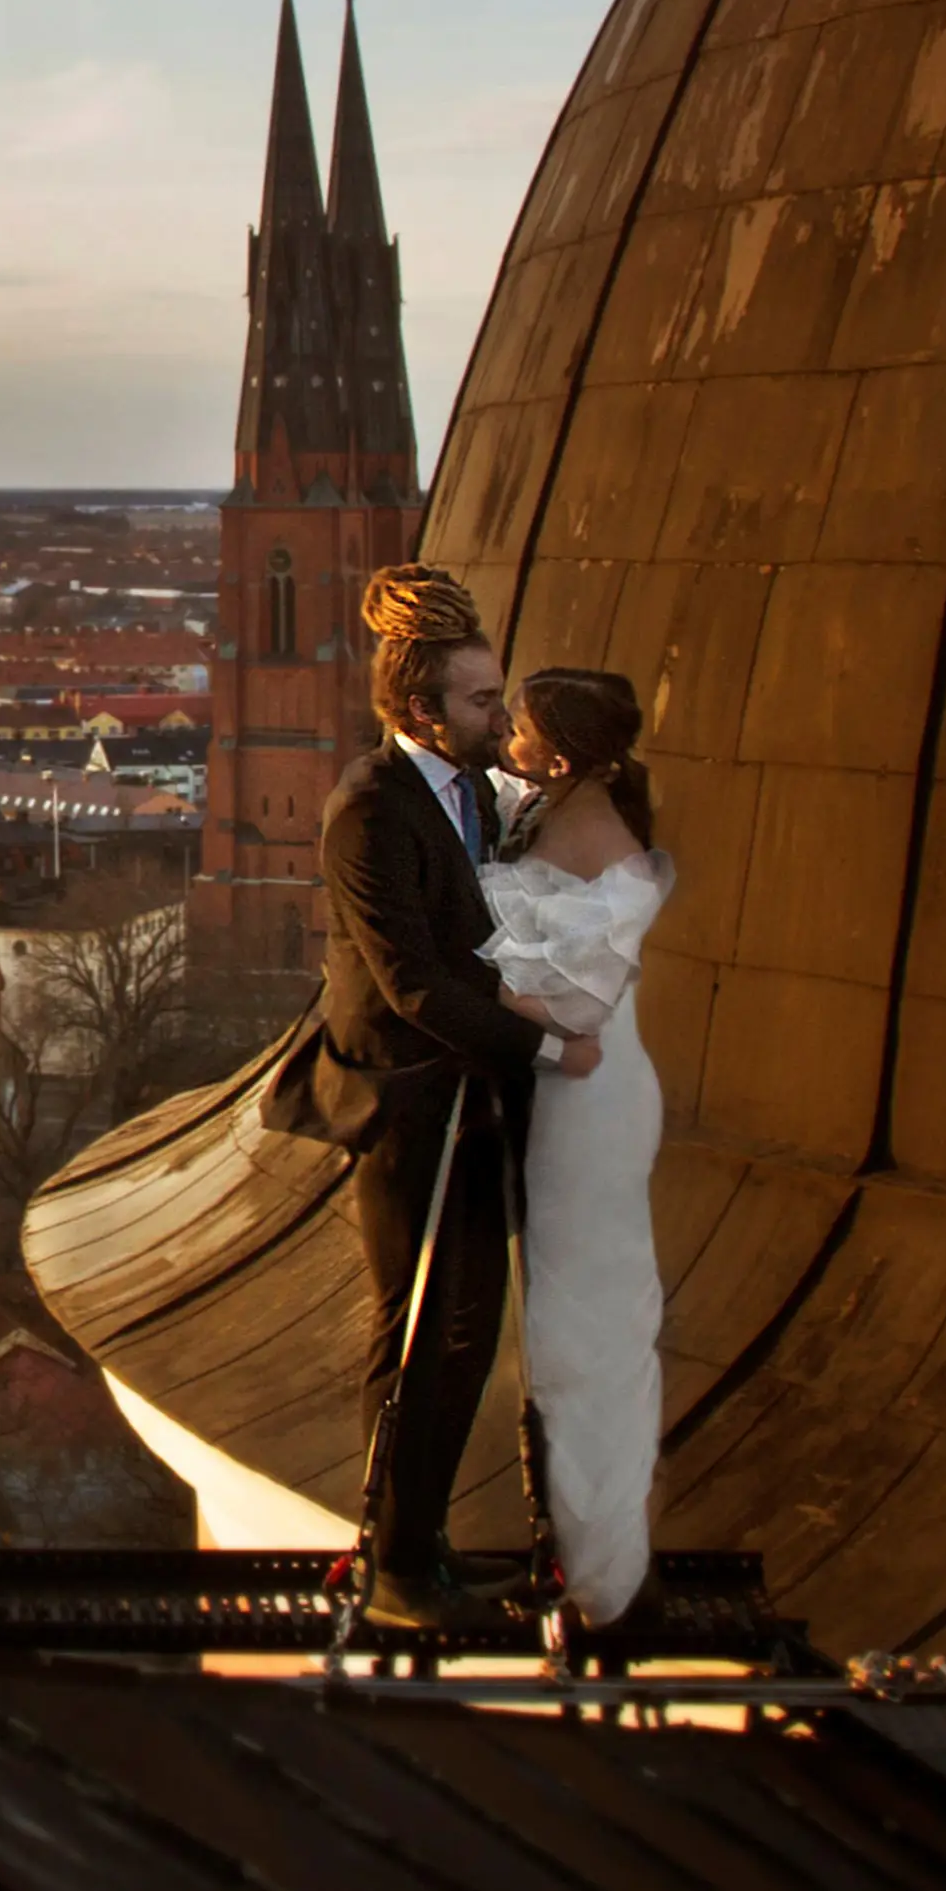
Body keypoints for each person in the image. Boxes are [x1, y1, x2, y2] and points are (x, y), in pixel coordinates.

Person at [262, 563, 600, 1632]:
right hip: (409, 1102)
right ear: (418, 708)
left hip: (468, 1094)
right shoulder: (369, 811)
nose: (498, 715)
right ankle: (398, 1564)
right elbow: (410, 983)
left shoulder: (464, 794)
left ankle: (420, 1551)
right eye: (479, 700)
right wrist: (542, 1047)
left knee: (461, 1326)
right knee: (419, 1331)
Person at [479, 667, 677, 1631]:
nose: (505, 741)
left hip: (588, 1104)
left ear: (557, 754)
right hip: (577, 1097)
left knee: (582, 1336)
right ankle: (575, 1553)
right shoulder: (574, 810)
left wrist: (466, 988)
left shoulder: (591, 837)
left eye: (517, 729)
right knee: (568, 1328)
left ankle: (599, 1576)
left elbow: (577, 1016)